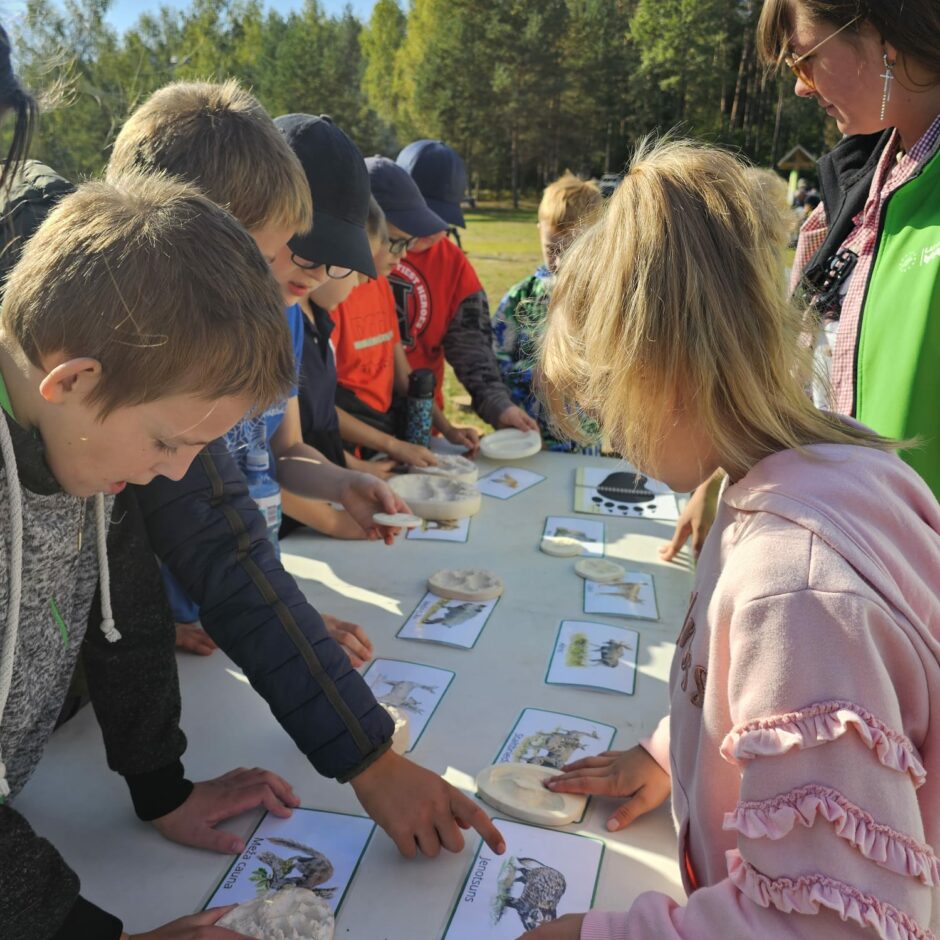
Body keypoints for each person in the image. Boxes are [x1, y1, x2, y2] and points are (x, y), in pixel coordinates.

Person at [527, 139, 939, 939]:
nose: (612, 440)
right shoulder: (830, 462)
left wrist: (599, 935)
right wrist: (671, 749)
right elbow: (788, 698)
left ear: (661, 372)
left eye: (605, 402)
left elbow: (829, 926)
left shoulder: (794, 587)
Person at [105, 81, 505, 873]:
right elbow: (202, 544)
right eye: (284, 258)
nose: (305, 278)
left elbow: (202, 541)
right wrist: (370, 759)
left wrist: (159, 787)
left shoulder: (214, 325)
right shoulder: (128, 361)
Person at [0, 173, 301, 938]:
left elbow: (127, 609)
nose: (173, 473)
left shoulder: (85, 444)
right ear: (73, 380)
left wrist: (161, 785)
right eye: (169, 442)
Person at [662, 0, 940, 563]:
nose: (801, 89)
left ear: (881, 29)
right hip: (847, 569)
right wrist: (717, 478)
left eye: (805, 59)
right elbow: (803, 380)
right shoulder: (854, 191)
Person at [331, 156, 480, 455]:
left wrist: (447, 429)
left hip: (378, 446)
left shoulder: (381, 285)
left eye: (409, 244)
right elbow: (318, 407)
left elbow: (403, 376)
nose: (403, 256)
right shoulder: (331, 295)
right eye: (396, 241)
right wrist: (393, 446)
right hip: (344, 455)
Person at [392, 139, 538, 439]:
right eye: (421, 213)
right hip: (349, 428)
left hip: (418, 424)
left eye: (440, 218)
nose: (431, 227)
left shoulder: (453, 266)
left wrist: (499, 406)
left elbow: (472, 348)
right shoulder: (358, 250)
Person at [492, 171, 603, 453]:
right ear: (539, 228)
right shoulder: (522, 297)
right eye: (551, 248)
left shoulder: (603, 301)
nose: (559, 259)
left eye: (569, 249)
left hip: (583, 442)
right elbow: (495, 357)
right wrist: (533, 375)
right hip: (528, 438)